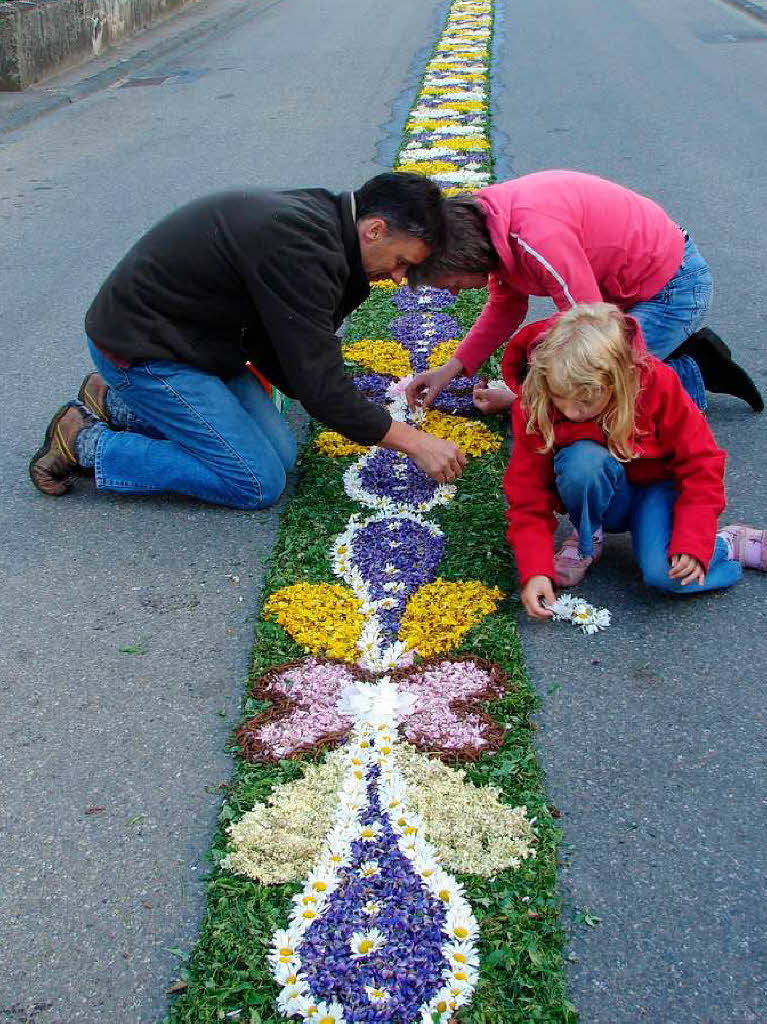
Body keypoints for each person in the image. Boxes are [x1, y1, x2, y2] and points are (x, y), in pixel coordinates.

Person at [29, 173, 466, 506]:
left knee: (281, 455)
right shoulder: (304, 250)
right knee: (257, 481)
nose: (396, 275)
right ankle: (86, 441)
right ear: (374, 229)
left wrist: (342, 397)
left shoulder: (327, 223)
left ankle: (114, 402)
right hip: (145, 351)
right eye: (400, 261)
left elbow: (296, 356)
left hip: (200, 344)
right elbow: (316, 383)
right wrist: (414, 441)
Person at [405, 169, 763, 416]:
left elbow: (592, 337)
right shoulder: (490, 225)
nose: (452, 294)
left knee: (595, 395)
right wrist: (450, 370)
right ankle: (660, 350)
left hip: (674, 289)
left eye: (450, 283)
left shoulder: (535, 239)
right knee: (547, 365)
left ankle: (689, 374)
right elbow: (505, 308)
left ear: (466, 257)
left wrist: (521, 400)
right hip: (630, 292)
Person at [502, 303, 766, 620]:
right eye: (561, 398)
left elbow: (701, 463)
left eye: (586, 402)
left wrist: (693, 539)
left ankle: (728, 544)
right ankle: (587, 536)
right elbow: (527, 493)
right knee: (581, 462)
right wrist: (535, 571)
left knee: (666, 575)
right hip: (606, 490)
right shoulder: (536, 401)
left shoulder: (658, 383)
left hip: (658, 489)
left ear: (618, 380)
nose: (572, 412)